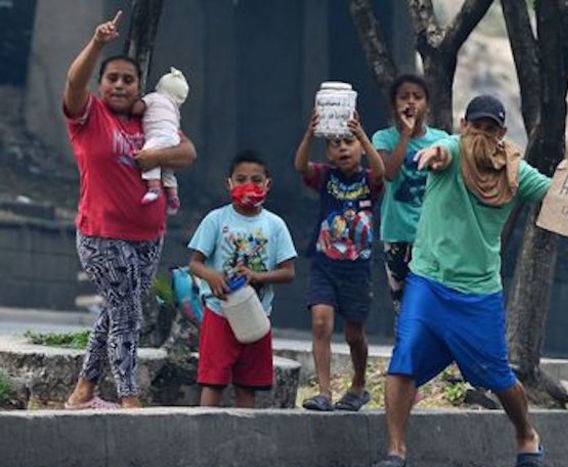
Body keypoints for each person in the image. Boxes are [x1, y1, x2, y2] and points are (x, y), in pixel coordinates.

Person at [371, 93, 568, 467]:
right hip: (428, 280)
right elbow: (437, 152)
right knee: (403, 360)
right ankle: (396, 450)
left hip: (478, 293)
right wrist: (430, 156)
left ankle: (527, 435)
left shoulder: (514, 172)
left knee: (499, 378)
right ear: (464, 125)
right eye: (477, 126)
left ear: (502, 133)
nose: (483, 135)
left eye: (491, 129)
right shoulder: (453, 151)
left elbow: (565, 196)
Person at [63, 11, 197, 410]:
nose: (120, 85)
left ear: (140, 87)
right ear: (102, 85)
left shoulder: (154, 118)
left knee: (119, 310)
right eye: (113, 78)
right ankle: (128, 397)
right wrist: (98, 44)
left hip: (148, 237)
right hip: (101, 235)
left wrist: (156, 153)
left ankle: (83, 391)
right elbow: (73, 82)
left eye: (128, 79)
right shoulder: (89, 117)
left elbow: (188, 153)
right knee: (127, 315)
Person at [188, 153, 297, 408]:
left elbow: (288, 272)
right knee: (212, 381)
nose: (249, 186)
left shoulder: (275, 225)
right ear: (229, 184)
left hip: (257, 315)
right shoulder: (216, 220)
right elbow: (194, 263)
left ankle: (244, 442)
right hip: (219, 313)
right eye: (241, 179)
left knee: (248, 384)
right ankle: (205, 438)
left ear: (267, 185)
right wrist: (212, 276)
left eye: (256, 180)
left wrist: (258, 276)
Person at [294, 109, 385, 412]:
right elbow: (300, 166)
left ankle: (359, 385)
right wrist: (309, 133)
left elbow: (382, 173)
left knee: (354, 334)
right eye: (335, 143)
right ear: (328, 152)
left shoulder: (369, 180)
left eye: (349, 142)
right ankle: (324, 392)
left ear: (360, 146)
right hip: (325, 264)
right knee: (321, 323)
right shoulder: (324, 176)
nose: (343, 148)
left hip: (358, 270)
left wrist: (363, 136)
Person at [371, 74, 448, 317]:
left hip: (431, 237)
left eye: (418, 97)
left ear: (427, 103)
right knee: (402, 306)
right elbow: (389, 174)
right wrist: (405, 134)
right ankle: (406, 351)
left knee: (429, 302)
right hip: (396, 234)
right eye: (404, 97)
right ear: (394, 104)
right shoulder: (384, 138)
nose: (411, 102)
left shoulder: (442, 140)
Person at [132, 67, 189, 214]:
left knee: (148, 156)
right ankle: (173, 196)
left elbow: (137, 109)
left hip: (158, 136)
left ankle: (154, 188)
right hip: (174, 138)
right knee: (167, 170)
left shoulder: (154, 97)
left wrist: (136, 102)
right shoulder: (175, 109)